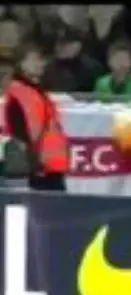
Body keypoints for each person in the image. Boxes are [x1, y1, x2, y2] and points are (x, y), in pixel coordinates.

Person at [4, 43, 69, 192]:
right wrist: (33, 165)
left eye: (40, 60)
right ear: (21, 64)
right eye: (33, 60)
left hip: (50, 167)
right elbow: (19, 134)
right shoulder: (18, 93)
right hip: (38, 170)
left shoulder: (36, 91)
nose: (39, 64)